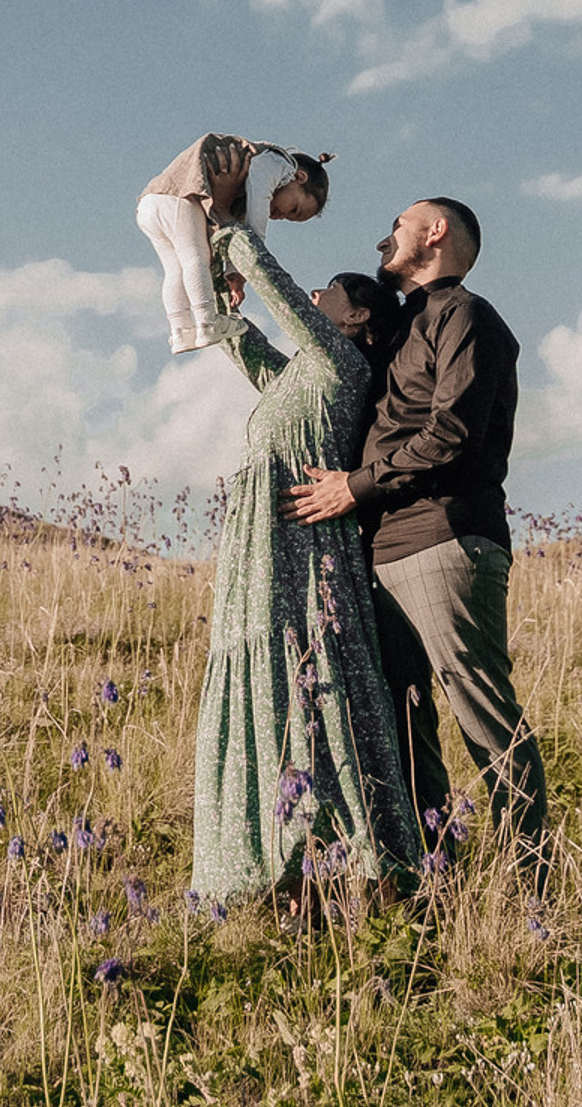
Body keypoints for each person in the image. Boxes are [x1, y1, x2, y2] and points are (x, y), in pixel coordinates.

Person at [281, 197, 550, 871]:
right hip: (383, 549)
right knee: (405, 720)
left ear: (435, 233)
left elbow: (452, 435)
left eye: (398, 225)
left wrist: (355, 486)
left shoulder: (468, 317)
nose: (384, 237)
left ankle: (533, 883)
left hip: (444, 540)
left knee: (483, 715)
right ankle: (441, 873)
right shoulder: (403, 328)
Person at [189, 158, 420, 908]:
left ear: (353, 320)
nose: (315, 298)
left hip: (297, 556)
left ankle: (366, 862)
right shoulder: (304, 377)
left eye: (330, 295)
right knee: (265, 679)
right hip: (262, 558)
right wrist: (218, 296)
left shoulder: (342, 367)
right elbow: (244, 343)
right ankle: (262, 867)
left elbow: (283, 299)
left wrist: (234, 235)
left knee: (311, 682)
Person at [138, 134, 330, 355]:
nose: (283, 216)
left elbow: (229, 231)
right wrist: (253, 251)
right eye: (294, 209)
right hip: (179, 197)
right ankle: (207, 321)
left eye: (290, 219)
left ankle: (180, 331)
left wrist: (234, 274)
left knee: (175, 270)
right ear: (299, 177)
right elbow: (257, 205)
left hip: (150, 204)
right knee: (195, 258)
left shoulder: (241, 197)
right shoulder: (277, 163)